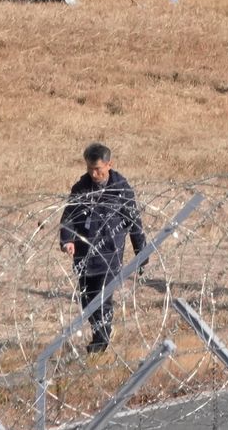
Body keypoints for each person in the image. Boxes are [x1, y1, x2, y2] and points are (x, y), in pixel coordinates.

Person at [59, 143, 148, 354]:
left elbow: (134, 222)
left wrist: (141, 253)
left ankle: (101, 340)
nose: (94, 173)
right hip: (83, 254)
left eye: (98, 169)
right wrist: (67, 240)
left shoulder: (121, 189)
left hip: (110, 253)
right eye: (90, 168)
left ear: (109, 165)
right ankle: (99, 330)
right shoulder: (80, 188)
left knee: (102, 297)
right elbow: (68, 219)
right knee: (87, 298)